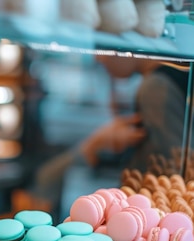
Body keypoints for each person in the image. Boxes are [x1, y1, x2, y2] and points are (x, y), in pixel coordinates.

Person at [30, 55, 189, 220]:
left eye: (101, 48)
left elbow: (172, 174)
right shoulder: (159, 82)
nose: (98, 58)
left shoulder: (155, 87)